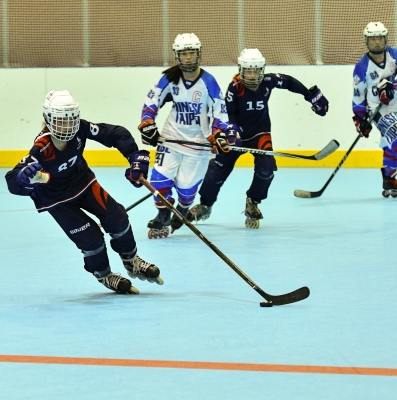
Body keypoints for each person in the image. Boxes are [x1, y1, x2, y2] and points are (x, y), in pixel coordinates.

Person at [5, 90, 163, 294]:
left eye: (71, 119)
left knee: (117, 217)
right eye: (61, 121)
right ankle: (104, 274)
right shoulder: (41, 148)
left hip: (83, 182)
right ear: (48, 119)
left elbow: (115, 133)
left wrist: (134, 156)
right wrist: (22, 178)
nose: (68, 126)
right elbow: (13, 179)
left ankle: (131, 259)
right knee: (91, 238)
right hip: (56, 200)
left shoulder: (81, 128)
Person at [187, 48, 329, 228]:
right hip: (236, 135)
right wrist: (232, 131)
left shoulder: (268, 81)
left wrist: (309, 95)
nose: (252, 76)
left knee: (267, 169)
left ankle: (253, 202)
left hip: (260, 133)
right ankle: (206, 205)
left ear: (262, 70)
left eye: (256, 71)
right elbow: (229, 114)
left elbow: (288, 82)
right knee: (217, 170)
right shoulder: (234, 87)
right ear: (241, 70)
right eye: (248, 71)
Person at [138, 33, 232, 238]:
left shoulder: (208, 81)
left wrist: (218, 134)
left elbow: (220, 110)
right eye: (184, 53)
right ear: (177, 55)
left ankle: (181, 210)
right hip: (171, 137)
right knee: (158, 181)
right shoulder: (169, 78)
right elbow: (152, 100)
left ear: (199, 54)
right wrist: (148, 122)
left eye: (192, 53)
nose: (188, 57)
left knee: (186, 189)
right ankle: (162, 215)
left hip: (198, 143)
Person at [352, 21, 397, 197]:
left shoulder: (395, 55)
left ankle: (389, 179)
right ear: (367, 41)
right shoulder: (362, 67)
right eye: (373, 39)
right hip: (379, 111)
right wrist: (360, 119)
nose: (377, 42)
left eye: (380, 38)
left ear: (385, 38)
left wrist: (392, 84)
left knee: (389, 144)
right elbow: (358, 97)